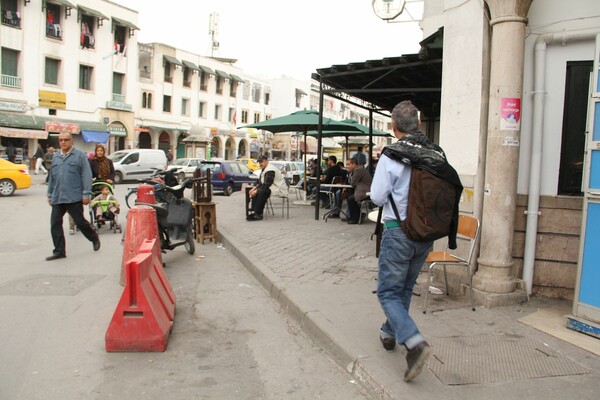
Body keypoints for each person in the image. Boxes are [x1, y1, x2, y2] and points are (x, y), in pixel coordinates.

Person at [369, 101, 433, 382]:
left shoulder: (392, 155)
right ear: (418, 125)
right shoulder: (434, 152)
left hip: (398, 231)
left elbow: (377, 196)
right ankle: (389, 332)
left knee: (387, 292)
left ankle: (414, 342)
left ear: (394, 128)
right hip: (425, 235)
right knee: (404, 288)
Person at [46, 132, 100, 261]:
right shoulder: (56, 157)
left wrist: (86, 194)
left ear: (71, 141)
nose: (63, 142)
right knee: (55, 224)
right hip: (58, 196)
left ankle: (93, 237)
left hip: (74, 196)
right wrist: (49, 194)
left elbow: (86, 176)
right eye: (61, 140)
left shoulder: (79, 156)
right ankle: (59, 251)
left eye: (66, 140)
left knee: (80, 221)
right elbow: (52, 178)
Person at [247, 154, 286, 221]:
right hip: (272, 188)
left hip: (279, 189)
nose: (260, 164)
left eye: (262, 162)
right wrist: (254, 189)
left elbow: (267, 184)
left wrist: (256, 191)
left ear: (266, 161)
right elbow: (260, 182)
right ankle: (256, 212)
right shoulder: (264, 169)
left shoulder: (270, 170)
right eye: (259, 162)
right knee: (258, 191)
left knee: (262, 192)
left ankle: (258, 214)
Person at [344, 157, 372, 224]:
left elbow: (352, 183)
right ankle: (356, 216)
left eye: (348, 164)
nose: (347, 166)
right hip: (363, 190)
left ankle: (355, 218)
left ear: (354, 164)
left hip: (365, 191)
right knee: (350, 197)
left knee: (351, 199)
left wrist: (350, 173)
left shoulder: (358, 170)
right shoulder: (359, 169)